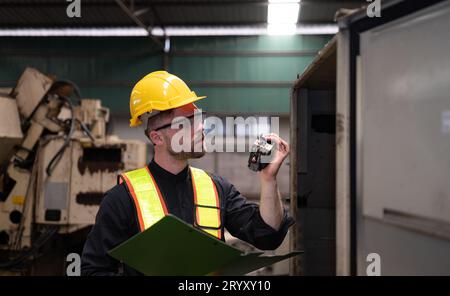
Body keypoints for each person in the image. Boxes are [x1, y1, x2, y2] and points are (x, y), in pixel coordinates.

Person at [81, 71, 294, 275]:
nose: (201, 127)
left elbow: (268, 235)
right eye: (187, 122)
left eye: (198, 117)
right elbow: (93, 270)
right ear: (157, 138)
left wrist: (268, 179)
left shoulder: (217, 189)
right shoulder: (123, 198)